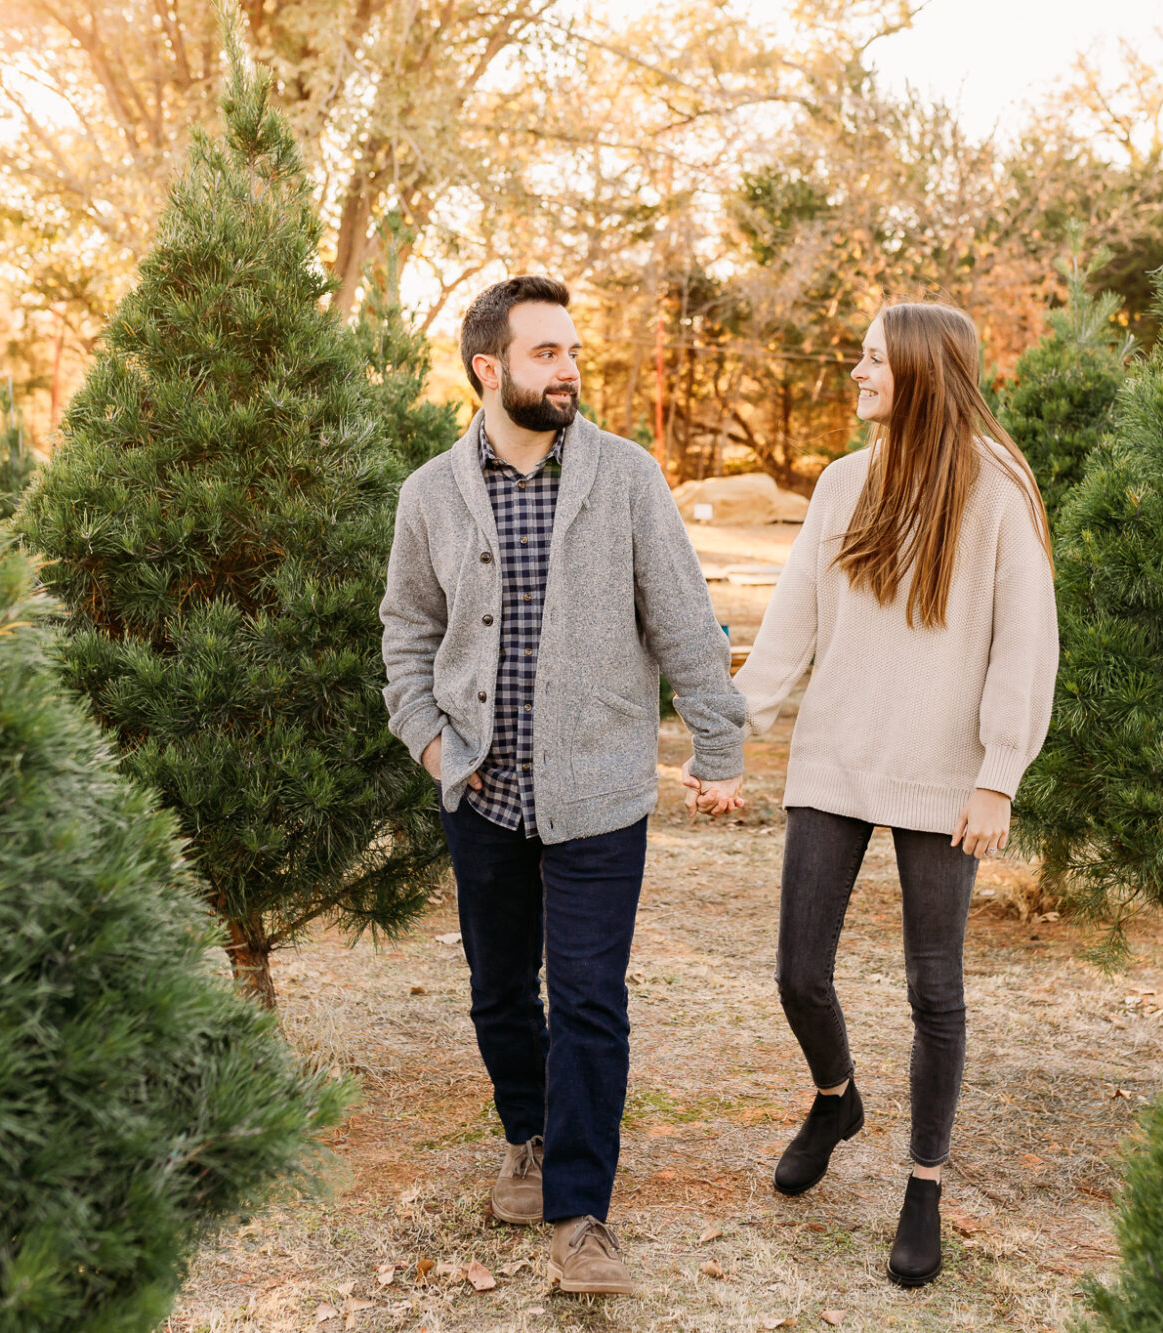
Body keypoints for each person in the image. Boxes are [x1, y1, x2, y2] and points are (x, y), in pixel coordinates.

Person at [379, 275, 746, 1297]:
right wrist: (429, 745)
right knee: (499, 990)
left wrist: (716, 745)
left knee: (587, 997)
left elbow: (680, 614)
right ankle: (526, 1136)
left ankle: (581, 1214)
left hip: (598, 794)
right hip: (480, 792)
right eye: (546, 354)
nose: (569, 369)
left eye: (573, 351)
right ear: (488, 369)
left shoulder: (625, 478)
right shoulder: (430, 495)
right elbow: (405, 632)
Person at [729, 300, 1058, 1287]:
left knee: (933, 988)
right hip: (836, 755)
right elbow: (789, 623)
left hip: (943, 773)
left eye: (871, 360)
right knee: (797, 971)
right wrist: (727, 729)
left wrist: (998, 774)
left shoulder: (996, 490)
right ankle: (836, 1097)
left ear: (918, 371)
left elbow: (1024, 642)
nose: (856, 374)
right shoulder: (839, 485)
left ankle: (922, 1183)